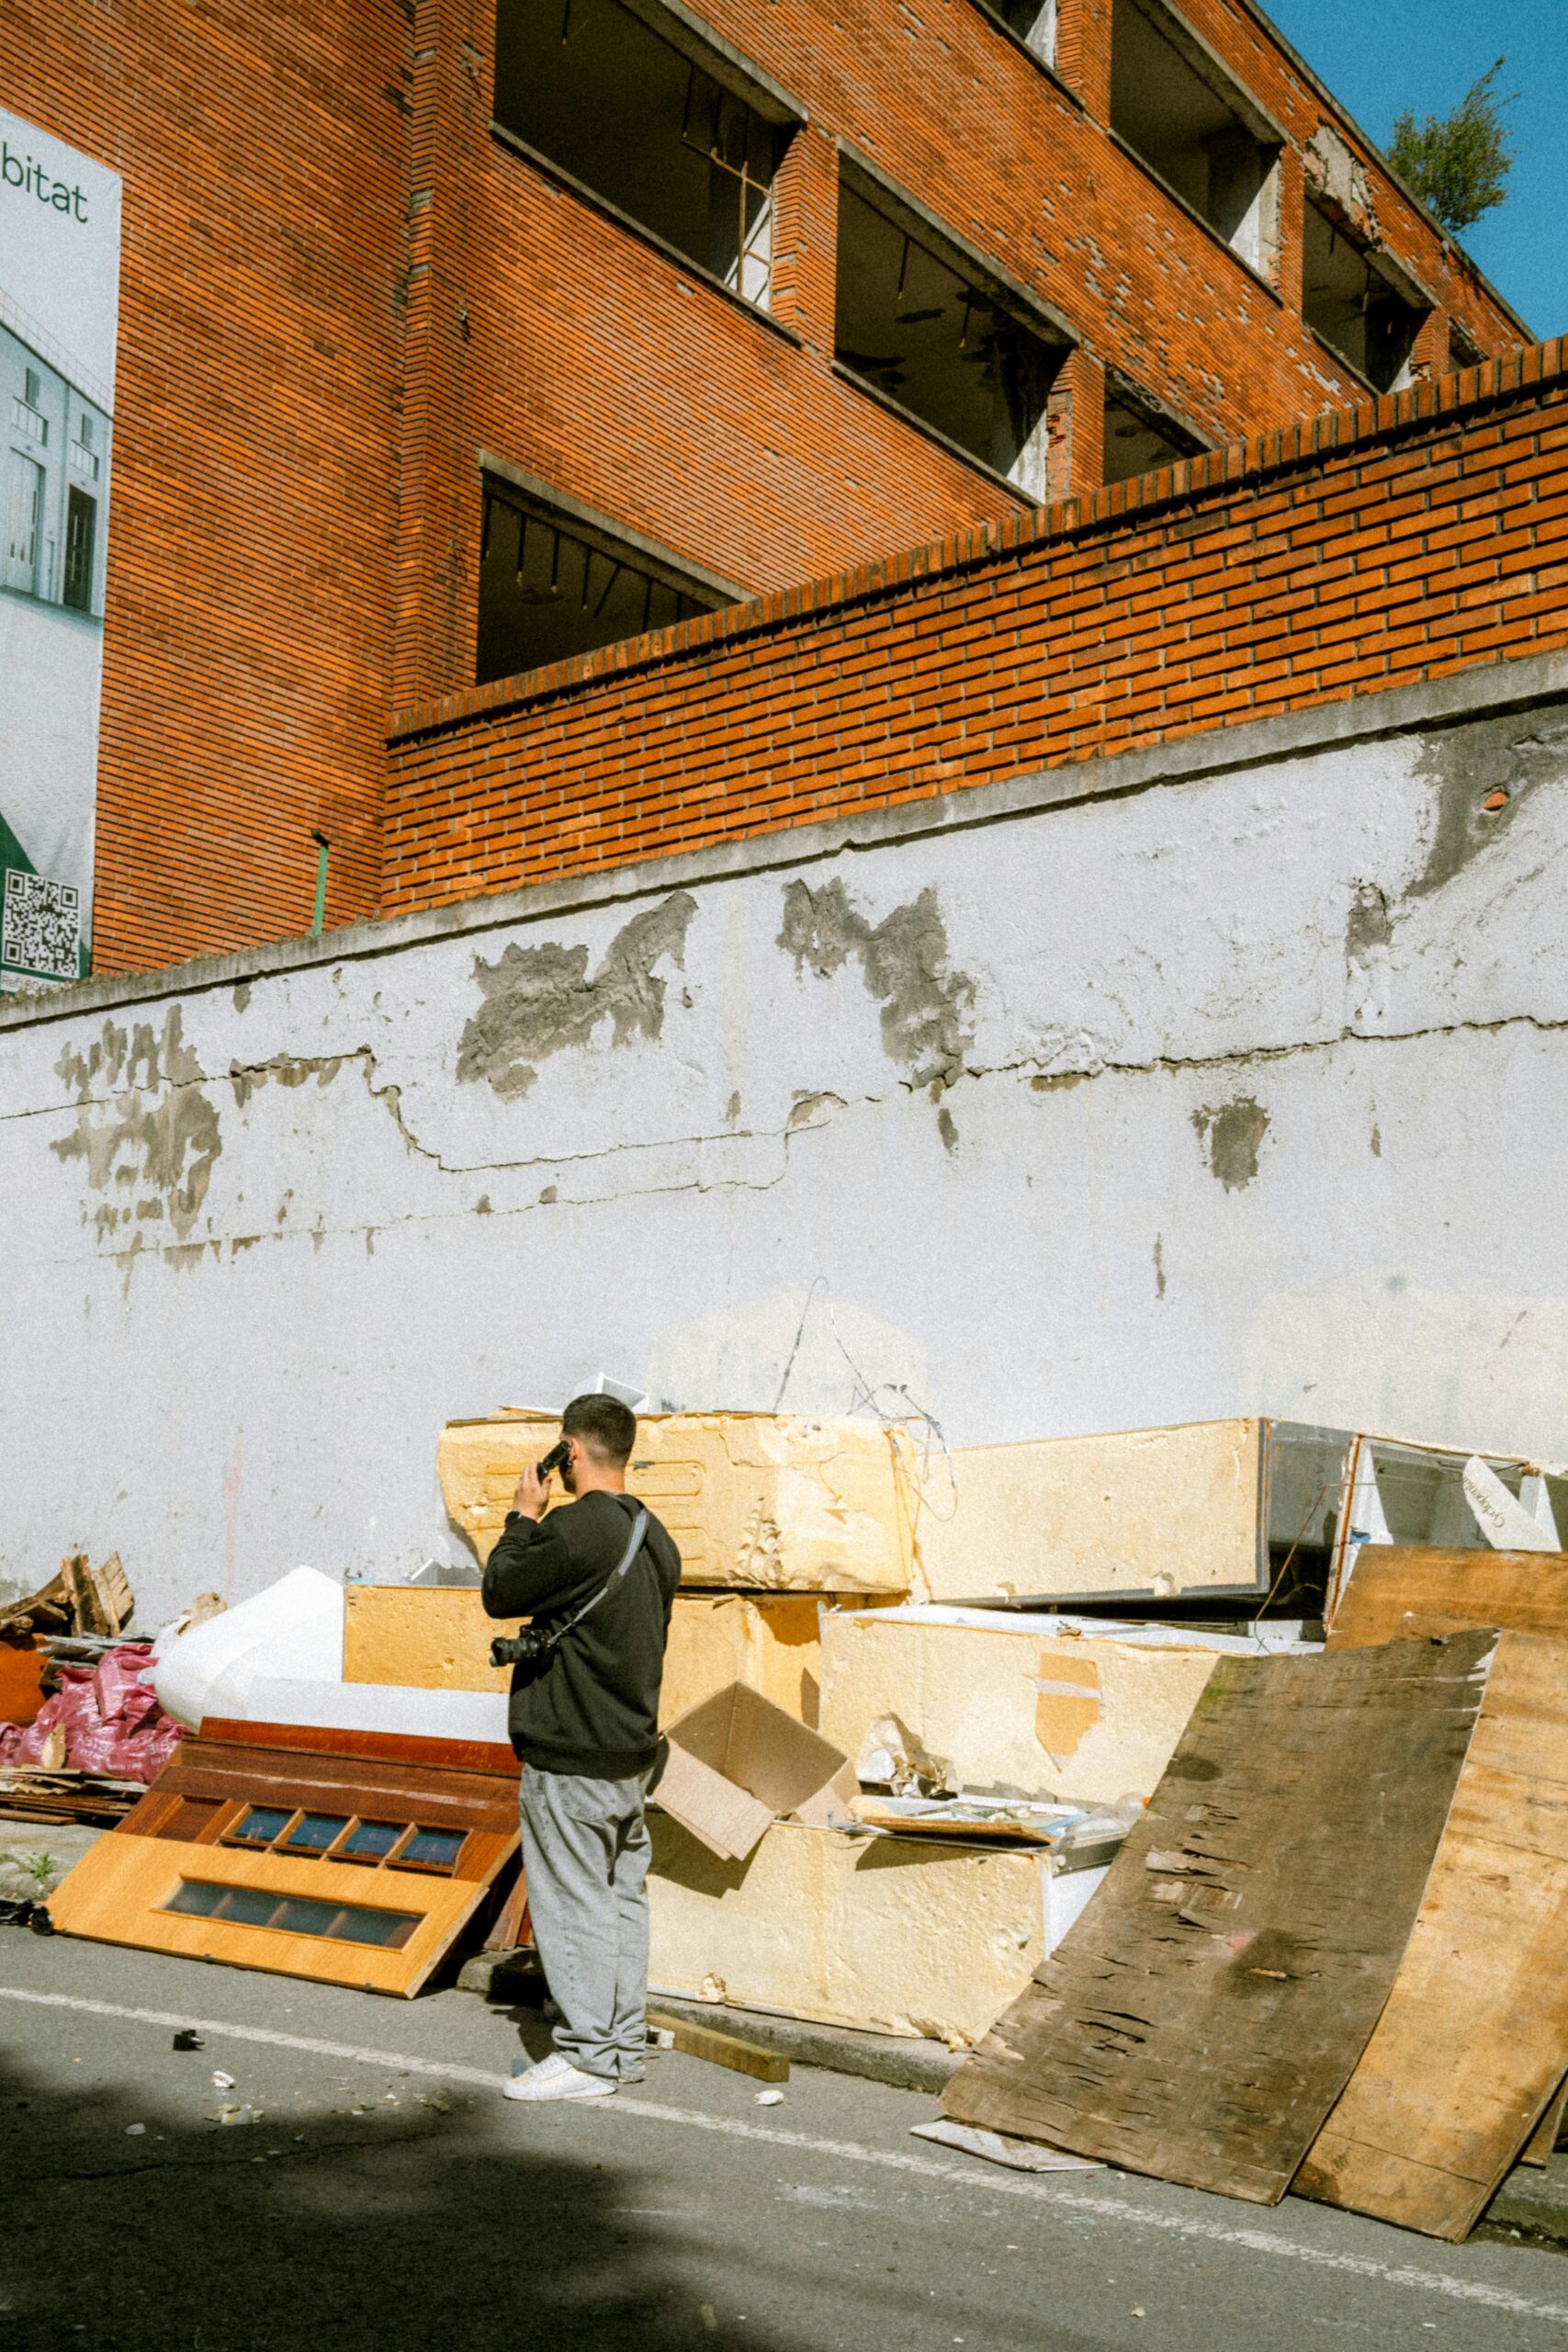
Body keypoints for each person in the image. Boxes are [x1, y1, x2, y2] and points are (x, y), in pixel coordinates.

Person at [482, 1391, 682, 2102]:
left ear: (568, 1451)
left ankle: (588, 2057)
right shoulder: (656, 1537)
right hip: (628, 1752)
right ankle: (619, 2046)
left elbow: (501, 1590)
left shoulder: (575, 1529)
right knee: (620, 1902)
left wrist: (521, 1518)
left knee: (573, 1905)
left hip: (571, 1749)